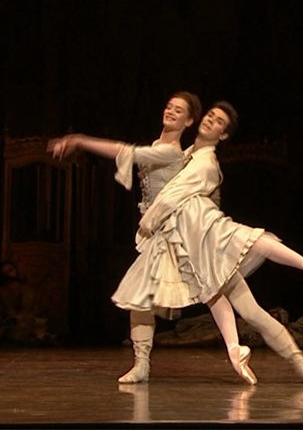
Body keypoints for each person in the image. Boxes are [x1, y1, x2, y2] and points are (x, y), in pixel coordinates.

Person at [114, 101, 303, 384]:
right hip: (188, 246)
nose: (210, 121)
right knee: (240, 308)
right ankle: (150, 362)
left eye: (219, 122)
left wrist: (147, 224)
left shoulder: (205, 162)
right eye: (210, 116)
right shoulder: (187, 154)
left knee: (253, 250)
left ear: (223, 135)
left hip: (204, 240)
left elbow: (170, 198)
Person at [48, 92, 206, 382]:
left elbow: (125, 152)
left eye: (178, 110)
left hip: (173, 236)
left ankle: (249, 347)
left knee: (217, 293)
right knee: (143, 298)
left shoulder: (170, 152)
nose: (170, 111)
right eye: (169, 106)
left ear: (189, 121)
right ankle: (142, 363)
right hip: (158, 234)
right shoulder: (160, 145)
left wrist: (80, 140)